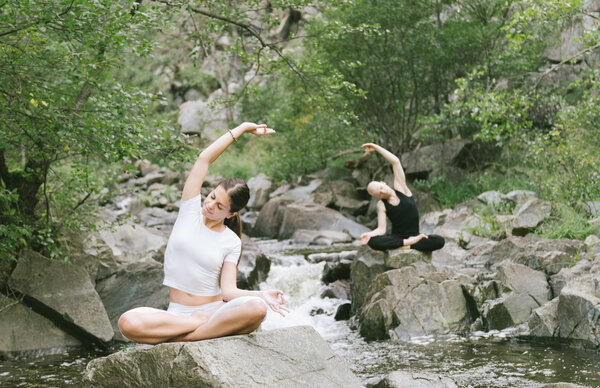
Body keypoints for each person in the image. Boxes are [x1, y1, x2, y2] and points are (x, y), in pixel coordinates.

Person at [118, 122, 290, 344]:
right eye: (212, 197)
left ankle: (179, 339)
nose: (210, 205)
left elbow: (228, 292)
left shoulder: (231, 241)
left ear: (230, 214)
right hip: (177, 314)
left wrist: (261, 295)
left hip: (214, 311)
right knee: (127, 323)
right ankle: (195, 328)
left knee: (257, 309)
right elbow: (203, 159)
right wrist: (242, 129)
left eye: (220, 207)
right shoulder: (190, 211)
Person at [359, 143, 445, 252]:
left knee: (439, 240)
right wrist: (368, 234)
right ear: (378, 197)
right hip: (398, 238)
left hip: (415, 236)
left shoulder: (401, 189)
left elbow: (395, 162)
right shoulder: (381, 205)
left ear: (383, 182)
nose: (383, 191)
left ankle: (403, 246)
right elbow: (381, 229)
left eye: (381, 187)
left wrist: (376, 147)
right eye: (379, 193)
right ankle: (408, 244)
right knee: (373, 241)